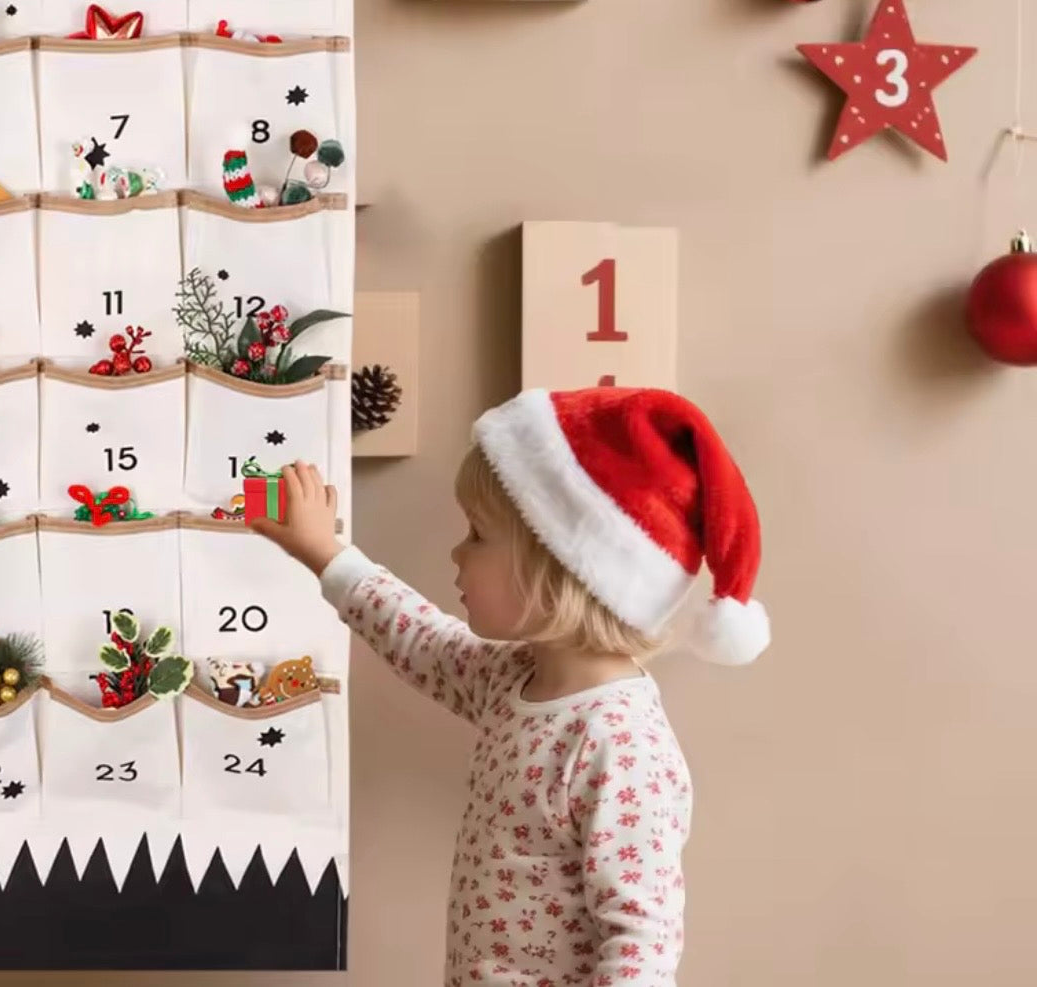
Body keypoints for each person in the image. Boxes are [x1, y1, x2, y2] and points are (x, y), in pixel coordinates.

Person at [252, 384, 769, 987]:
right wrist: (324, 553)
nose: (456, 552)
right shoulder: (511, 680)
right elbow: (420, 640)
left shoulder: (620, 745)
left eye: (477, 534)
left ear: (558, 568)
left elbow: (640, 947)